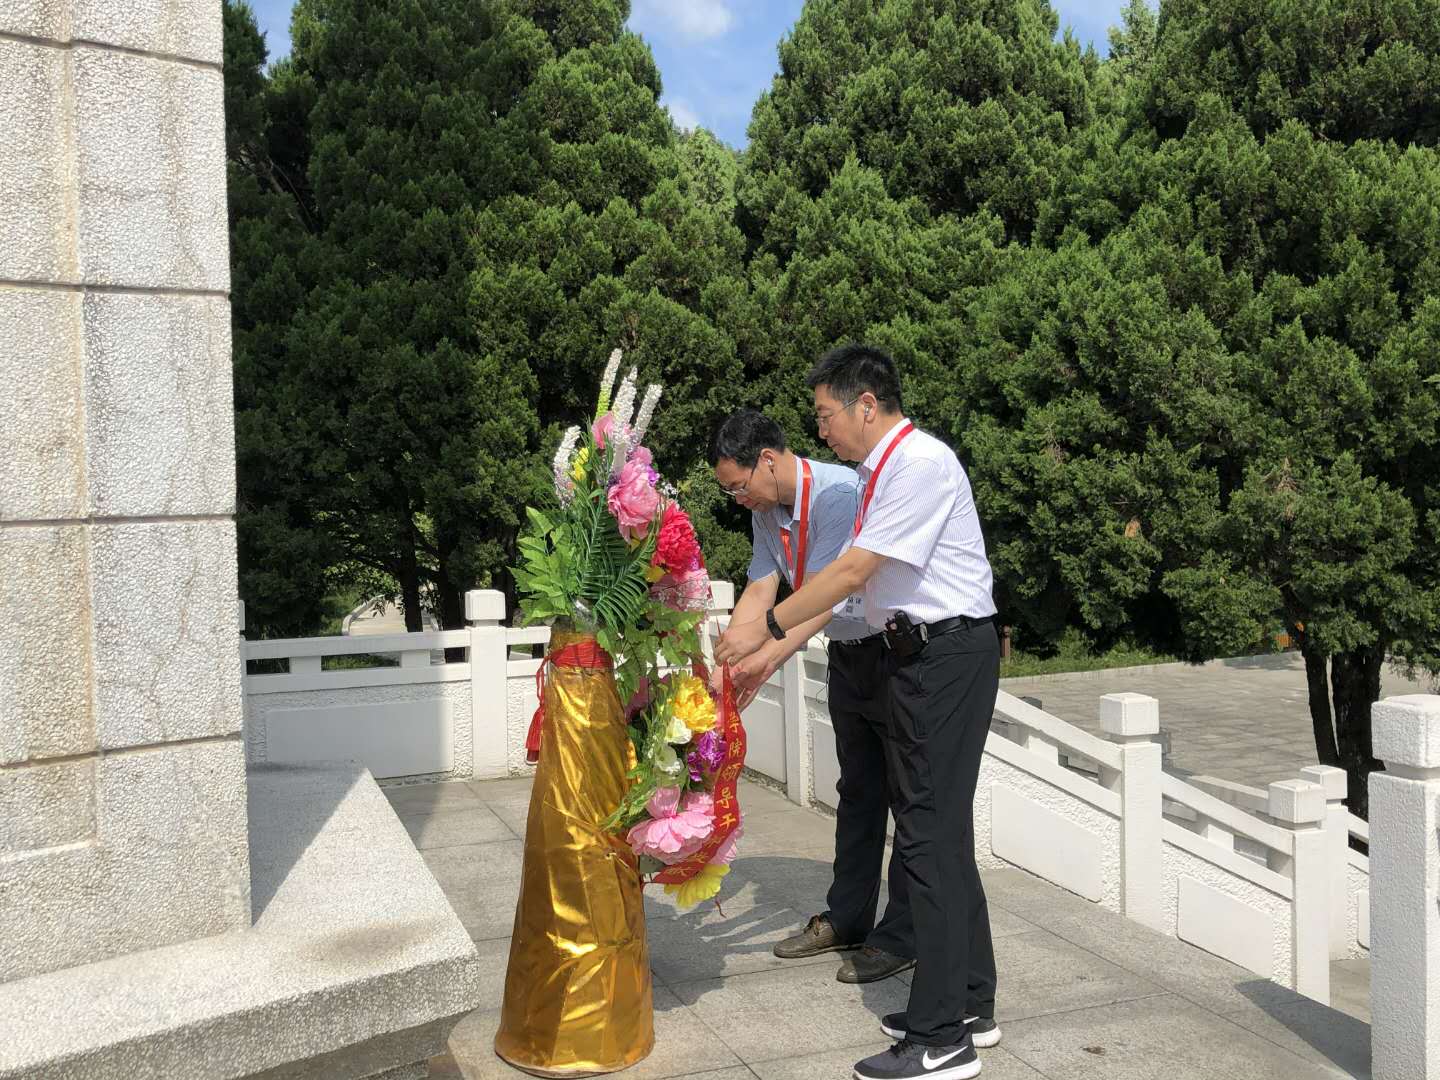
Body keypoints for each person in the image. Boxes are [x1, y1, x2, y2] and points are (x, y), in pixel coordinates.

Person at [715, 345, 1001, 1080]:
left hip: (943, 655)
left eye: (825, 414)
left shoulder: (918, 464)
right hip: (918, 655)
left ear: (865, 404)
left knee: (926, 841)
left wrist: (769, 631)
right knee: (938, 836)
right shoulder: (884, 469)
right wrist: (751, 648)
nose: (821, 430)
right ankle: (969, 1002)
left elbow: (849, 572)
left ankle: (941, 1038)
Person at [708, 410, 915, 984]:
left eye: (738, 486)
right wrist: (728, 663)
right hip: (848, 657)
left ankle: (901, 936)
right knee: (858, 793)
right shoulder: (766, 511)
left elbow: (828, 596)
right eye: (729, 491)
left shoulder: (837, 495)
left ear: (767, 461)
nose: (737, 499)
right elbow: (760, 590)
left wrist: (763, 658)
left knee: (909, 800)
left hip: (892, 654)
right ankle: (847, 919)